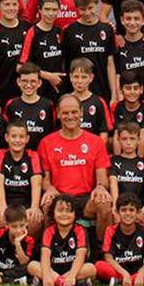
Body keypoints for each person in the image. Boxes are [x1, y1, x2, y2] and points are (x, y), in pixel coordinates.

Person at [37, 93, 112, 222]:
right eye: (65, 113)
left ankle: (100, 242)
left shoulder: (96, 142)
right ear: (58, 114)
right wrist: (49, 189)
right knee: (48, 202)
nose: (70, 116)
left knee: (104, 203)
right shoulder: (46, 143)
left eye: (74, 112)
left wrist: (100, 187)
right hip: (60, 197)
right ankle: (49, 241)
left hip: (86, 199)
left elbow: (102, 177)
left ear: (81, 112)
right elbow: (45, 179)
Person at [63, 0, 118, 100]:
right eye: (83, 9)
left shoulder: (107, 29)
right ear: (77, 9)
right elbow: (66, 64)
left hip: (102, 91)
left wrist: (114, 94)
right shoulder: (70, 31)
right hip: (77, 94)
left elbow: (110, 64)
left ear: (97, 5)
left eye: (90, 8)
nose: (87, 13)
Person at [0, 119, 44, 234]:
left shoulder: (33, 156)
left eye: (21, 137)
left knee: (35, 220)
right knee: (1, 219)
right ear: (6, 138)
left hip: (26, 203)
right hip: (8, 203)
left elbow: (37, 183)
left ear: (27, 139)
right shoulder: (0, 154)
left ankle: (29, 251)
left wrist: (34, 207)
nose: (17, 140)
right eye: (13, 136)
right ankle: (5, 251)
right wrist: (2, 207)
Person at [98, 194, 144, 286]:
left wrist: (141, 274)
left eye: (131, 210)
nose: (127, 213)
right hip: (119, 270)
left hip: (138, 270)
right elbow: (108, 258)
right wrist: (124, 274)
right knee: (99, 266)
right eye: (123, 210)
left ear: (138, 213)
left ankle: (120, 282)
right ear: (117, 212)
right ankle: (141, 281)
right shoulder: (111, 230)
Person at [40, 194, 96, 286]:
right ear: (53, 212)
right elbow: (45, 255)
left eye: (69, 211)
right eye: (60, 210)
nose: (64, 214)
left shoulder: (80, 230)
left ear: (75, 214)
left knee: (91, 268)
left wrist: (71, 276)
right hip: (53, 270)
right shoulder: (49, 231)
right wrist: (46, 275)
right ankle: (64, 282)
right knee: (32, 266)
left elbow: (80, 256)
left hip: (74, 270)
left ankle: (58, 281)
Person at [21, 0, 68, 100]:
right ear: (40, 10)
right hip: (38, 91)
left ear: (59, 11)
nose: (51, 13)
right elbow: (21, 67)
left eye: (54, 9)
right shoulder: (32, 32)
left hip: (59, 89)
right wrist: (49, 76)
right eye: (47, 9)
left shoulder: (59, 32)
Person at [0, 206, 37, 286]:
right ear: (7, 225)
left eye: (22, 225)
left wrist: (17, 243)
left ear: (27, 223)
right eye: (14, 226)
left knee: (27, 268)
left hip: (13, 269)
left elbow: (24, 263)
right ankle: (14, 281)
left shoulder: (29, 240)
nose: (18, 230)